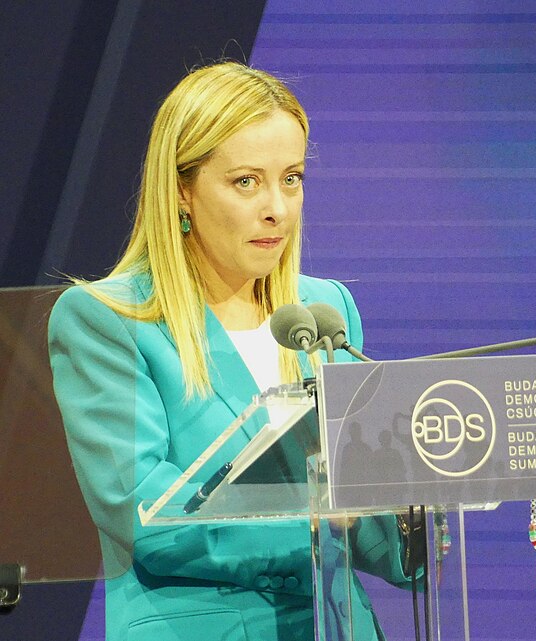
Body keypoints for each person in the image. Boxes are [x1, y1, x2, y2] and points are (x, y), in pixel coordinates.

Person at [48, 62, 412, 641]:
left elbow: (368, 508)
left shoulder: (325, 313)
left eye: (291, 178)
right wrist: (321, 523)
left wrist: (417, 513)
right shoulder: (108, 320)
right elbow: (150, 517)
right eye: (246, 182)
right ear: (182, 190)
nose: (277, 208)